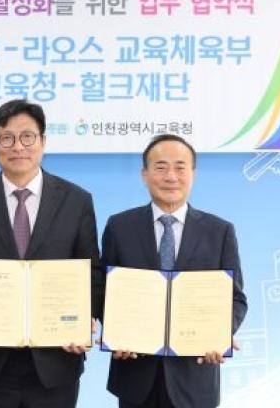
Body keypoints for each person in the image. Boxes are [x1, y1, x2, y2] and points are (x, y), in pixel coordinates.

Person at [0, 99, 103, 408]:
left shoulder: (76, 200)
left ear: (43, 141)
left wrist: (86, 319)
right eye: (7, 138)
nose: (18, 146)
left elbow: (91, 270)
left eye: (27, 137)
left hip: (57, 358)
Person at [101, 134, 247, 408]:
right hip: (135, 375)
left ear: (193, 174)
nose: (171, 177)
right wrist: (115, 333)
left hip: (195, 376)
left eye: (180, 167)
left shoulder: (219, 231)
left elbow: (236, 298)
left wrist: (219, 334)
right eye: (160, 167)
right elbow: (104, 290)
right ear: (144, 174)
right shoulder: (120, 226)